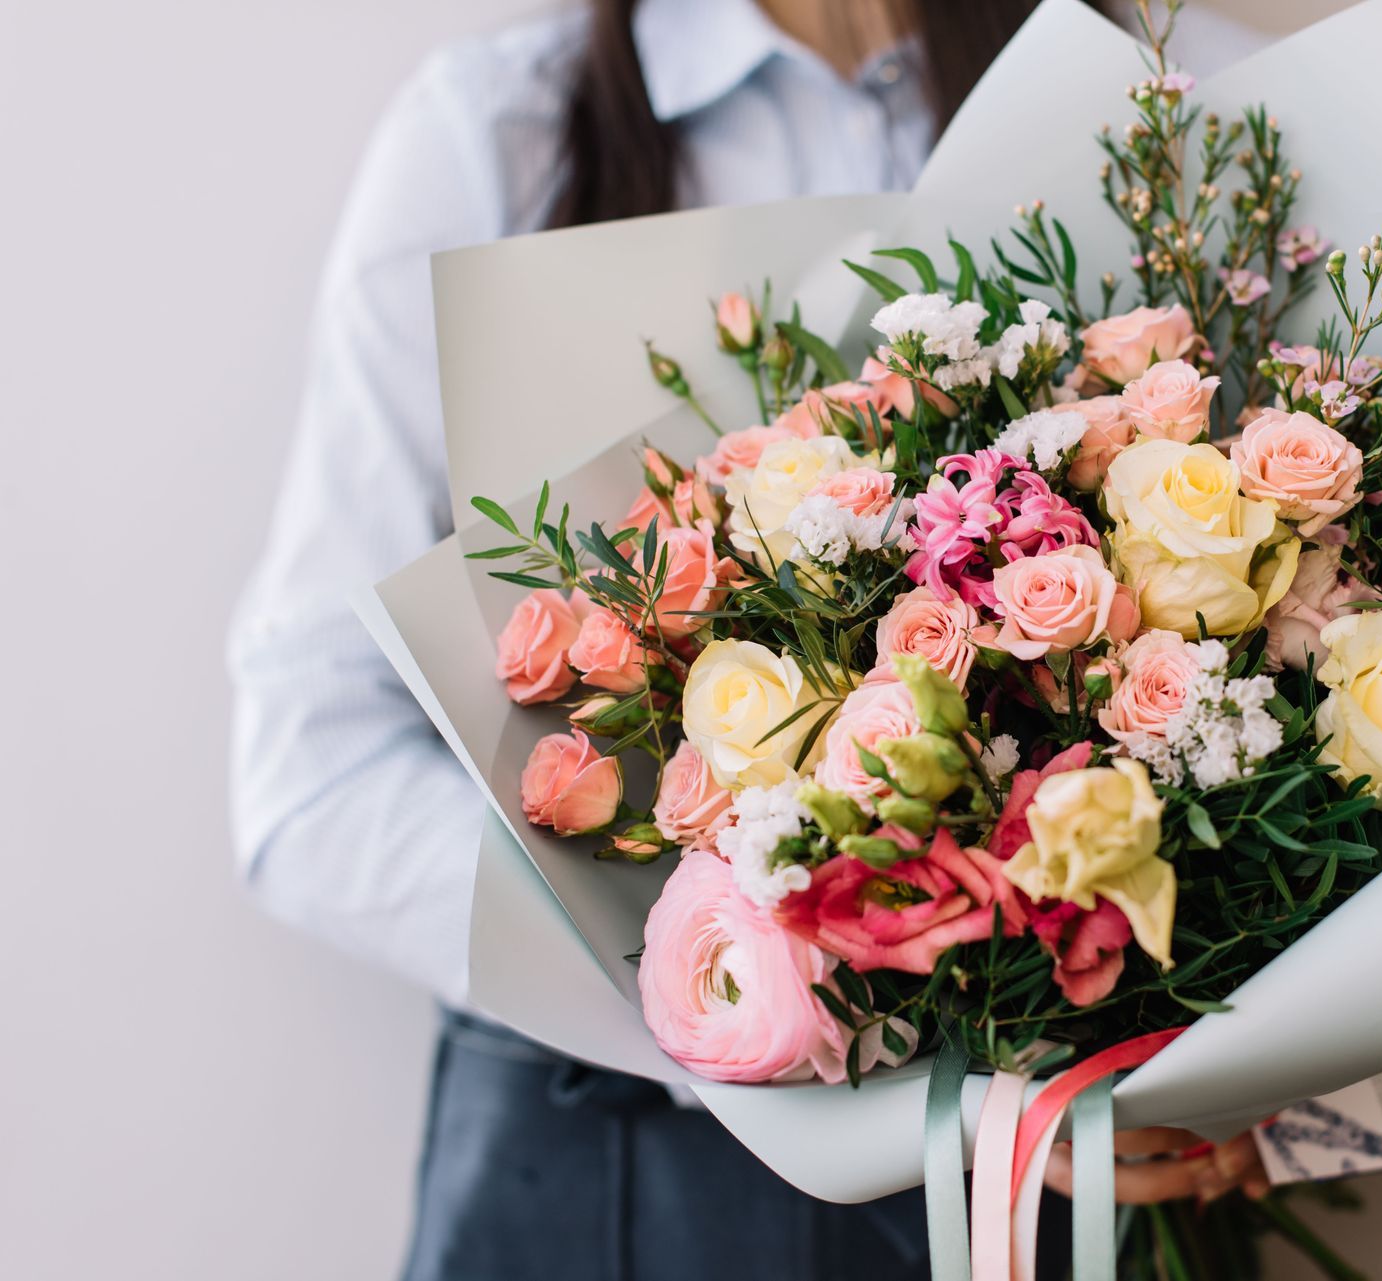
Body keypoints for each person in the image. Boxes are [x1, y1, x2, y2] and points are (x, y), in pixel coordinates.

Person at [229, 1, 1271, 1275]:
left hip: (1081, 1179)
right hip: (622, 1180)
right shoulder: (502, 138)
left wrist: (1258, 1037)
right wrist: (847, 1036)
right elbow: (311, 767)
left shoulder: (1185, 91)